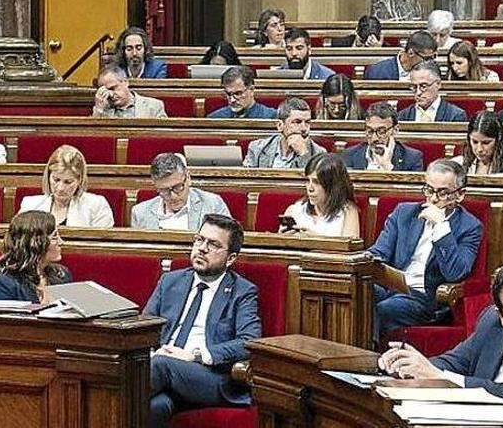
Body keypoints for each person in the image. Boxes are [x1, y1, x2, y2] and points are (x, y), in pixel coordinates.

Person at [145, 214, 262, 427]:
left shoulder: (243, 291)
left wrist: (194, 356)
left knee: (160, 366)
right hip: (161, 369)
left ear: (231, 258)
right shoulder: (170, 281)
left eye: (213, 244)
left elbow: (248, 342)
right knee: (156, 406)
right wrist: (154, 352)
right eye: (199, 240)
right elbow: (145, 329)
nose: (202, 248)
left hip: (210, 377)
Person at [368, 159, 483, 339]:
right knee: (357, 292)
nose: (434, 198)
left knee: (384, 309)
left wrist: (441, 226)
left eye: (443, 193)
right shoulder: (404, 213)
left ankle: (369, 361)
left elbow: (456, 273)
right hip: (392, 288)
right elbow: (378, 252)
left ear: (460, 195)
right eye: (429, 190)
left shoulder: (470, 227)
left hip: (426, 298)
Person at [378, 264, 503, 400]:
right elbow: (454, 362)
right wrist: (409, 366)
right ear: (501, 317)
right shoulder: (491, 322)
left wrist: (442, 377)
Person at [0, 211, 73, 302]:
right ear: (35, 243)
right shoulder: (2, 282)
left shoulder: (61, 275)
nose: (61, 242)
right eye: (54, 237)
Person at [18, 145, 114, 227]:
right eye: (56, 180)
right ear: (48, 176)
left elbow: (101, 246)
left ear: (79, 180)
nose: (60, 188)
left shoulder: (96, 206)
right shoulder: (30, 205)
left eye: (68, 182)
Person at [131, 153, 231, 230]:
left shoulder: (213, 205)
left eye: (178, 187)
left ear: (188, 178)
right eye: (164, 190)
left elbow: (225, 245)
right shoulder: (140, 213)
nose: (173, 196)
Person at [279, 153, 360, 237]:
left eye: (316, 182)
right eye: (308, 181)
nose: (310, 188)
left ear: (332, 185)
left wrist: (316, 239)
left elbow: (349, 247)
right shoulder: (294, 210)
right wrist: (282, 239)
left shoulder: (348, 212)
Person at [243, 98, 327, 169]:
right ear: (280, 125)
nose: (304, 128)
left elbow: (314, 184)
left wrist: (303, 154)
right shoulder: (257, 148)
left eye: (307, 122)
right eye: (297, 122)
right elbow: (245, 181)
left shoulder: (319, 153)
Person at [341, 101, 424, 171]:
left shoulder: (412, 159)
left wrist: (387, 166)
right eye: (369, 131)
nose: (374, 138)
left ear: (395, 130)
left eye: (381, 132)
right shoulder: (349, 155)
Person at [398, 60, 467, 122]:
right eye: (414, 87)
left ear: (438, 84)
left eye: (423, 86)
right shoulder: (403, 116)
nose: (418, 93)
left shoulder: (455, 115)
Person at [93, 65, 167, 118]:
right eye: (105, 91)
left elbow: (164, 137)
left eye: (113, 88)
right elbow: (96, 137)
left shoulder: (154, 106)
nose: (111, 95)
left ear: (125, 82)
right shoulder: (101, 111)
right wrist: (99, 110)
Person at [206, 66, 277, 119]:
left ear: (251, 90)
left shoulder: (272, 117)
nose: (232, 100)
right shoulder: (215, 118)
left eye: (238, 93)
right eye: (228, 94)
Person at [363, 30, 438, 81]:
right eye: (426, 58)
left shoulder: (432, 72)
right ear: (411, 53)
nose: (430, 62)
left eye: (433, 57)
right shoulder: (378, 71)